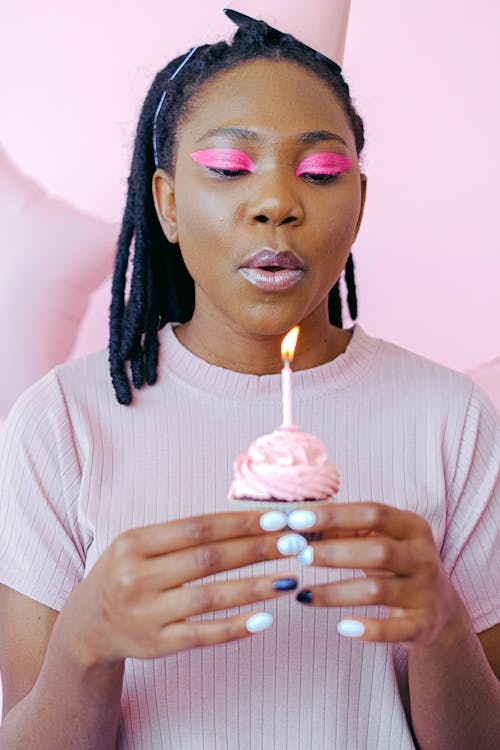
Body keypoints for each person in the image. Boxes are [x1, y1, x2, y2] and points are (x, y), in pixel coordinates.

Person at [0, 13, 499, 750]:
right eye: (230, 169)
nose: (276, 204)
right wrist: (86, 643)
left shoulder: (452, 417)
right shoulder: (63, 421)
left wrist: (445, 628)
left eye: (320, 173)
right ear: (167, 203)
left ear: (358, 203)